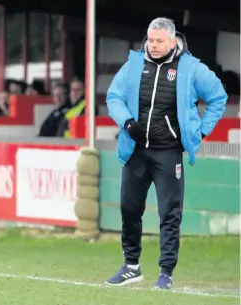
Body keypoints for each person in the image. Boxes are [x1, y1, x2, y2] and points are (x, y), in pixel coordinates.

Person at [105, 17, 227, 289]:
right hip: (136, 150)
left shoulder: (192, 68)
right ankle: (131, 267)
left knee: (169, 213)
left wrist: (200, 132)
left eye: (160, 40)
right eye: (151, 39)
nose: (154, 45)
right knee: (129, 207)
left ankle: (166, 273)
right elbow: (113, 96)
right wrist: (127, 122)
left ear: (173, 41)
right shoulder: (134, 65)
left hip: (168, 153)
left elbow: (218, 97)